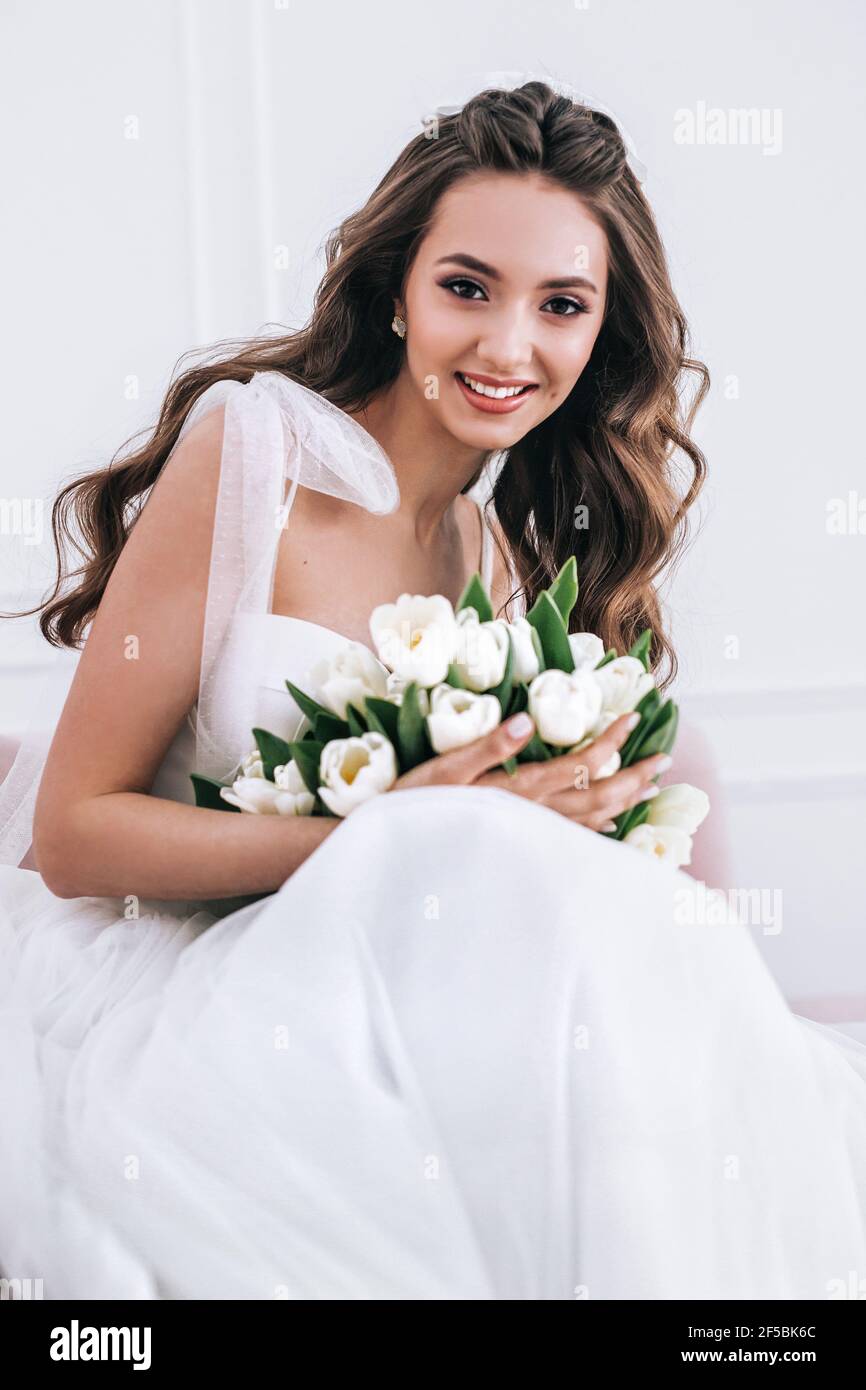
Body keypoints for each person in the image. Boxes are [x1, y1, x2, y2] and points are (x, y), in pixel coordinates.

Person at [0, 80, 864, 1300]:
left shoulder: (495, 560)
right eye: (467, 287)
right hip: (190, 980)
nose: (508, 346)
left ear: (599, 335)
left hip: (391, 998)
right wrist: (382, 829)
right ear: (399, 291)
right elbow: (72, 837)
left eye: (560, 305)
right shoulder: (257, 454)